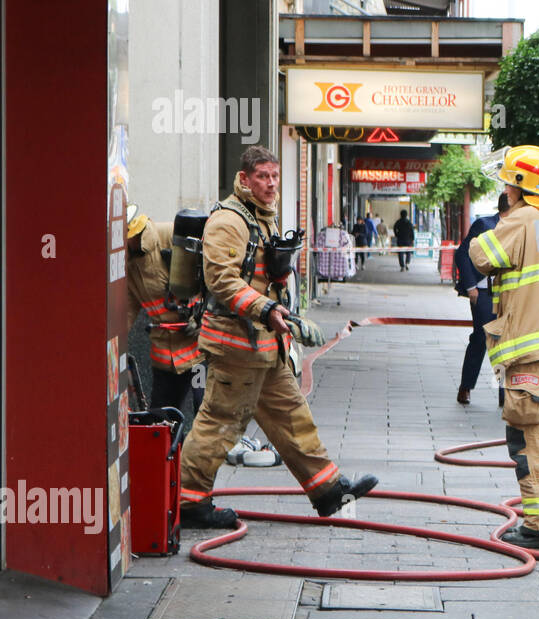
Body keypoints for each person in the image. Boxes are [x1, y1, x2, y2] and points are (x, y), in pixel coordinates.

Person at [178, 146, 378, 528]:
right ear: (244, 179)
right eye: (262, 177)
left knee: (293, 418)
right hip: (236, 348)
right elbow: (221, 279)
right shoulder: (229, 221)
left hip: (265, 348)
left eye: (274, 176)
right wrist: (266, 309)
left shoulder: (261, 218)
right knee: (219, 424)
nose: (270, 184)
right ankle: (189, 503)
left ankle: (328, 490)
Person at [470, 146, 539, 550]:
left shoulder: (521, 221)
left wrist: (495, 224)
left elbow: (481, 256)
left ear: (519, 188)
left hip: (528, 350)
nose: (503, 187)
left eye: (507, 182)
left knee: (527, 438)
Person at [124, 205, 204, 417]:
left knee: (204, 415)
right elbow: (127, 310)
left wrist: (202, 316)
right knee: (160, 420)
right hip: (163, 357)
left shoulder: (169, 235)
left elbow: (212, 275)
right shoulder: (129, 264)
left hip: (198, 353)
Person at [454, 193, 510, 405]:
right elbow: (462, 254)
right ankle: (466, 386)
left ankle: (504, 394)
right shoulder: (485, 224)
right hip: (483, 292)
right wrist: (471, 288)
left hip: (507, 293)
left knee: (503, 342)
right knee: (481, 339)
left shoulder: (518, 228)